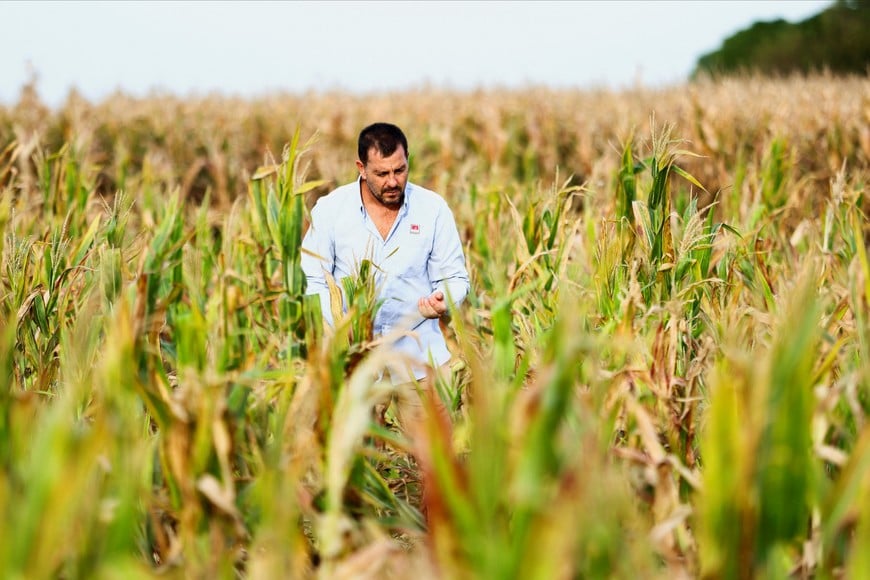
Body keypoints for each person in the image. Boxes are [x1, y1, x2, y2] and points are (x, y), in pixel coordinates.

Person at [301, 122, 470, 430]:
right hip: (355, 361)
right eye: (382, 173)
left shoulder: (432, 209)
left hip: (420, 357)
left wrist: (444, 301)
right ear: (361, 168)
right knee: (353, 459)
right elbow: (314, 281)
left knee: (437, 461)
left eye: (400, 170)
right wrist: (342, 330)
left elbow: (456, 278)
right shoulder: (331, 211)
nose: (393, 182)